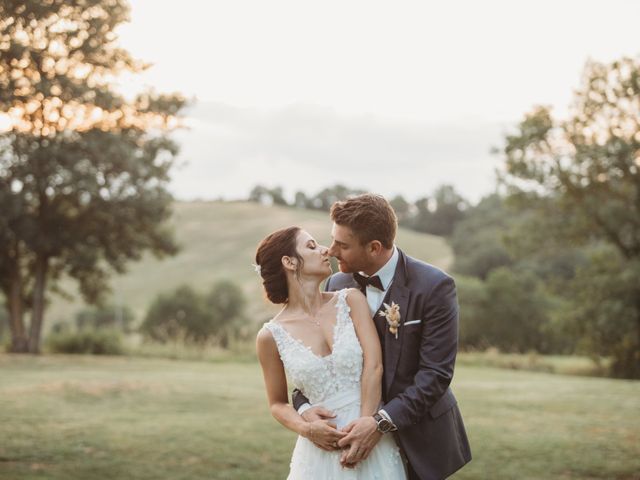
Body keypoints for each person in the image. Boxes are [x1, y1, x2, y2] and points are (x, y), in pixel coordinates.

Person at [293, 194, 472, 480]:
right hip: (347, 438)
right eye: (333, 239)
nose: (332, 251)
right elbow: (318, 361)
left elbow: (435, 374)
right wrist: (303, 407)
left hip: (419, 439)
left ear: (374, 247)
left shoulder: (434, 287)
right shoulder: (335, 284)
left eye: (344, 245)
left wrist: (380, 423)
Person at [255, 226, 407, 479]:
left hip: (371, 437)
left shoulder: (350, 300)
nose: (326, 250)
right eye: (312, 246)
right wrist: (306, 429)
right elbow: (278, 403)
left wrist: (366, 427)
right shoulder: (270, 336)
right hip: (319, 453)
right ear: (289, 262)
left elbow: (374, 366)